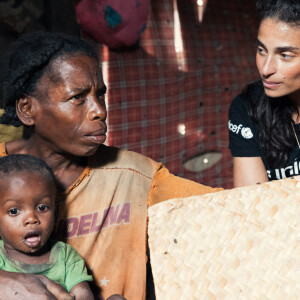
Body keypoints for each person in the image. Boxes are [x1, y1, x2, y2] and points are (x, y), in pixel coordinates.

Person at [0, 31, 221, 299]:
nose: (99, 111)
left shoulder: (137, 178)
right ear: (27, 109)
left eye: (100, 95)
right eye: (78, 97)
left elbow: (232, 210)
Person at [0, 154, 93, 300]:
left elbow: (83, 294)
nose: (31, 219)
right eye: (14, 211)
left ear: (55, 213)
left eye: (42, 208)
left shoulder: (65, 256)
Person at [228, 0, 300, 187]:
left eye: (285, 55)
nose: (265, 69)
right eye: (261, 50)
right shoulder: (247, 108)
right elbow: (253, 206)